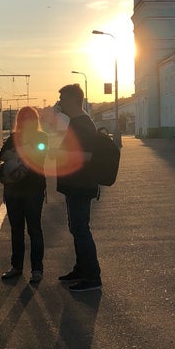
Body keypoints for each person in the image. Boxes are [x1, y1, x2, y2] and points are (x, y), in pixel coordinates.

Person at [53, 83, 102, 292]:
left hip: (81, 185)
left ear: (73, 100)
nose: (59, 102)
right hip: (75, 185)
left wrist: (62, 155)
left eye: (62, 99)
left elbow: (88, 156)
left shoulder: (83, 124)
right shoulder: (75, 122)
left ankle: (92, 277)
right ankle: (81, 269)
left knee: (81, 229)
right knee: (76, 228)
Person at [0, 106, 48, 284]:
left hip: (34, 189)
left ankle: (37, 269)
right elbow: (2, 154)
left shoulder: (41, 137)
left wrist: (18, 152)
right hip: (13, 190)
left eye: (30, 119)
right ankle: (17, 266)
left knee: (34, 230)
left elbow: (40, 154)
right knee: (16, 230)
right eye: (24, 119)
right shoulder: (14, 137)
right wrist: (26, 151)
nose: (26, 122)